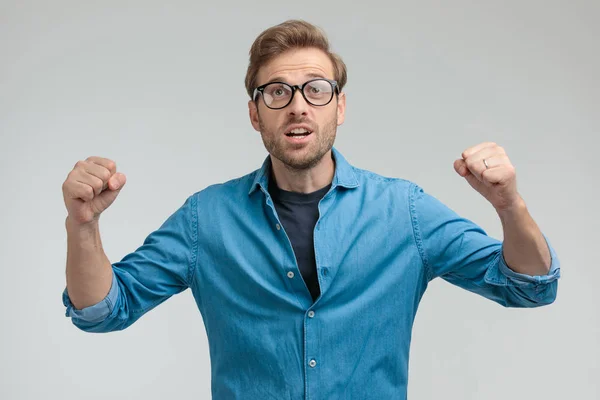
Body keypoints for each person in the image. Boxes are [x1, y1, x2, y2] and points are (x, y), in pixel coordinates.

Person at [62, 19, 560, 399]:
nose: (299, 106)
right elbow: (103, 310)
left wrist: (509, 205)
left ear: (338, 107)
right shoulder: (205, 219)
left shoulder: (403, 211)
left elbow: (530, 286)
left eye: (316, 89)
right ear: (255, 114)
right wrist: (83, 226)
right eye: (277, 91)